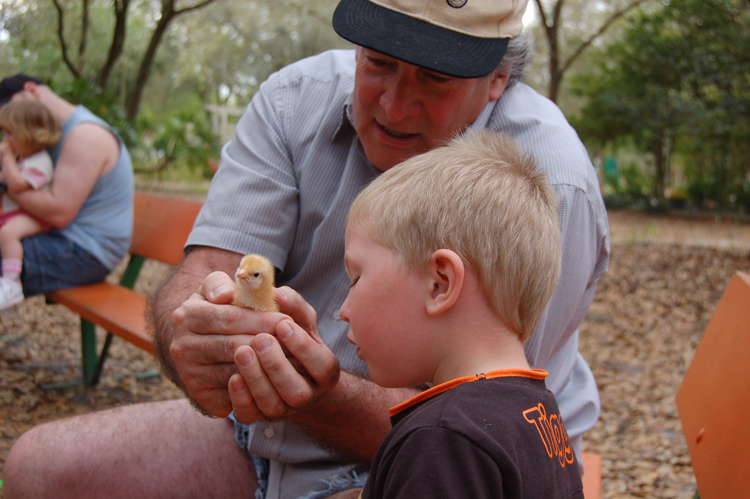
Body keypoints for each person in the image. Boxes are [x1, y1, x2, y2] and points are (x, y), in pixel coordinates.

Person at [3, 0, 609, 497]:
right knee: (35, 466)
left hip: (418, 463)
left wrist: (319, 395)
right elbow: (206, 272)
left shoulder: (550, 186)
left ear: (499, 77)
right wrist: (198, 337)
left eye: (437, 77)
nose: (395, 105)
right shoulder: (295, 100)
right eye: (378, 63)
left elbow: (477, 427)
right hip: (268, 435)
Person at [341, 129, 583, 498]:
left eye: (356, 277)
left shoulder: (442, 442)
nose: (343, 310)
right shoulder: (538, 412)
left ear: (439, 283)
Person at [0, 74, 134, 306]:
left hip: (86, 253)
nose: (11, 129)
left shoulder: (85, 135)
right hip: (62, 239)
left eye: (14, 110)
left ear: (31, 91)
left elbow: (58, 213)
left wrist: (6, 182)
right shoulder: (46, 138)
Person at [0, 100, 61, 308]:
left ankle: (11, 284)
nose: (5, 140)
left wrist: (6, 157)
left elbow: (16, 185)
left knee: (7, 234)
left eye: (10, 134)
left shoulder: (40, 162)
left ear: (30, 134)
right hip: (13, 214)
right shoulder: (20, 159)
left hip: (33, 217)